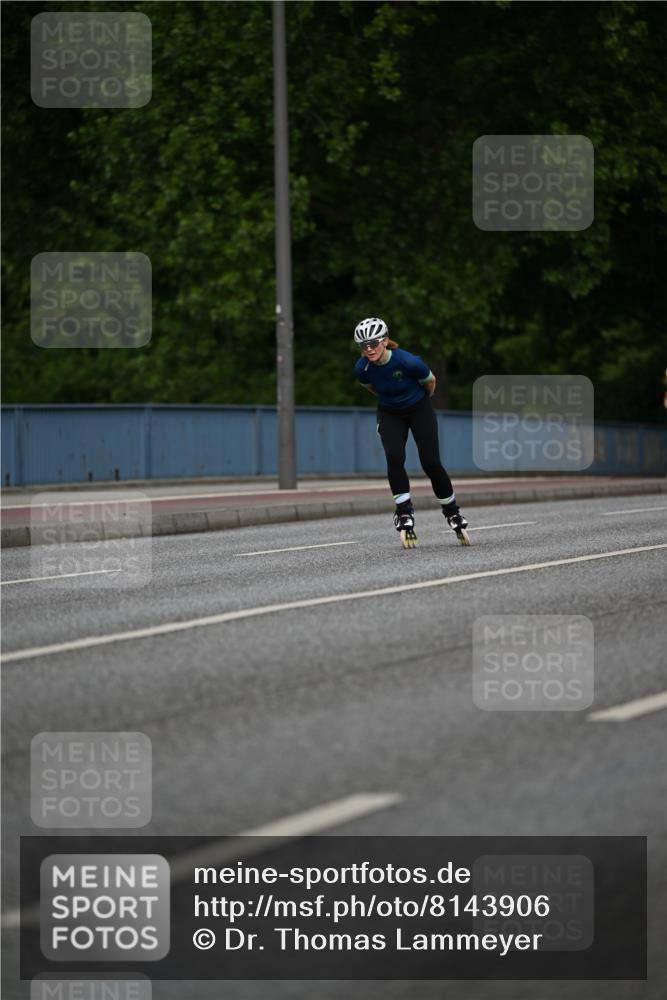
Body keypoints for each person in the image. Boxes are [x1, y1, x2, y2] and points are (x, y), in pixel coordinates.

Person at [353, 317, 470, 547]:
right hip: (389, 413)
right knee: (394, 457)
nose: (369, 349)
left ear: (385, 341)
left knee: (431, 463)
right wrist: (392, 401)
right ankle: (404, 511)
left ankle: (452, 511)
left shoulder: (408, 362)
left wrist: (419, 402)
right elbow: (372, 388)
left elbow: (431, 381)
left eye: (374, 343)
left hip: (419, 409)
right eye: (364, 345)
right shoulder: (362, 369)